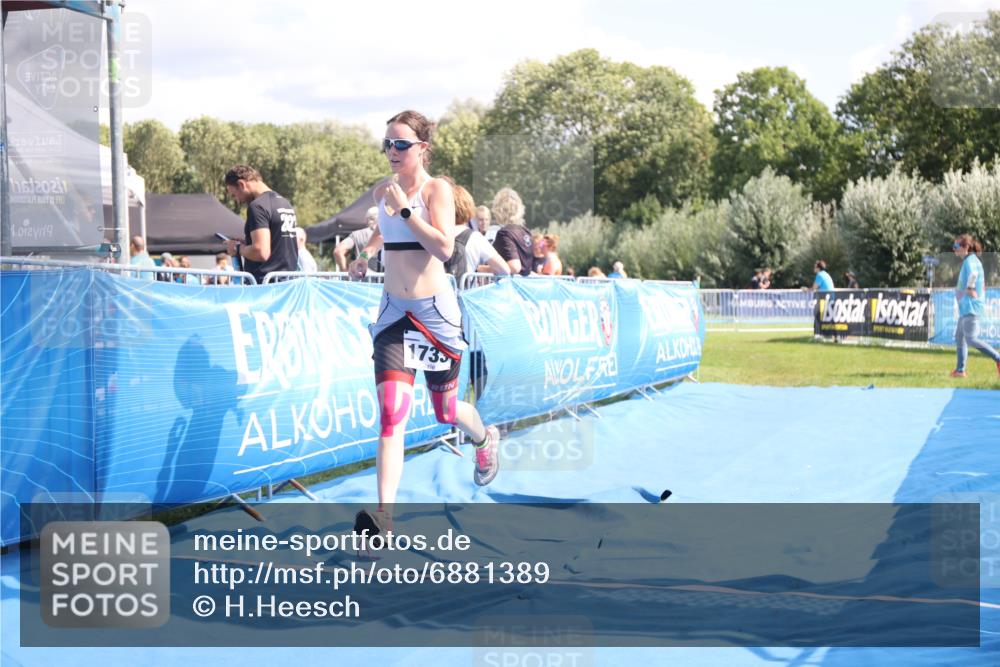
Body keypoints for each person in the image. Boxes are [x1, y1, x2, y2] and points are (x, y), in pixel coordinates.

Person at [349, 110, 501, 534]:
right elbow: (381, 233)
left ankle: (484, 438)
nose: (391, 152)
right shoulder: (385, 192)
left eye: (400, 144)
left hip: (434, 315)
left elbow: (443, 247)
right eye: (387, 144)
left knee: (444, 410)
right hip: (394, 314)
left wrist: (405, 213)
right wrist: (363, 257)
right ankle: (384, 519)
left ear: (422, 149)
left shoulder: (438, 190)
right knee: (391, 413)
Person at [222, 165, 299, 284]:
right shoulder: (285, 203)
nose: (237, 200)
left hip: (265, 287)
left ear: (242, 184)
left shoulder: (257, 206)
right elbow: (277, 244)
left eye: (234, 195)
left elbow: (261, 252)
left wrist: (237, 248)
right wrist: (247, 243)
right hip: (288, 284)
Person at [950, 234, 1000, 379]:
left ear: (965, 247)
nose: (954, 250)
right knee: (960, 337)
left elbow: (973, 274)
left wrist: (971, 288)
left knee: (971, 339)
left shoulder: (970, 261)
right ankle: (960, 371)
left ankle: (998, 358)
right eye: (953, 247)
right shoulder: (970, 260)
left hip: (971, 306)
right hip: (966, 307)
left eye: (956, 247)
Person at [451, 184, 509, 276]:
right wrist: (480, 269)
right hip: (464, 289)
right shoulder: (475, 238)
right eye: (481, 219)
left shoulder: (433, 233)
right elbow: (504, 269)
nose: (484, 223)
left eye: (486, 219)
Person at [334, 207, 383, 272]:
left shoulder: (357, 234)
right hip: (386, 279)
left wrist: (345, 272)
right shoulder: (389, 233)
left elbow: (338, 251)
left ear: (366, 220)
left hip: (361, 279)